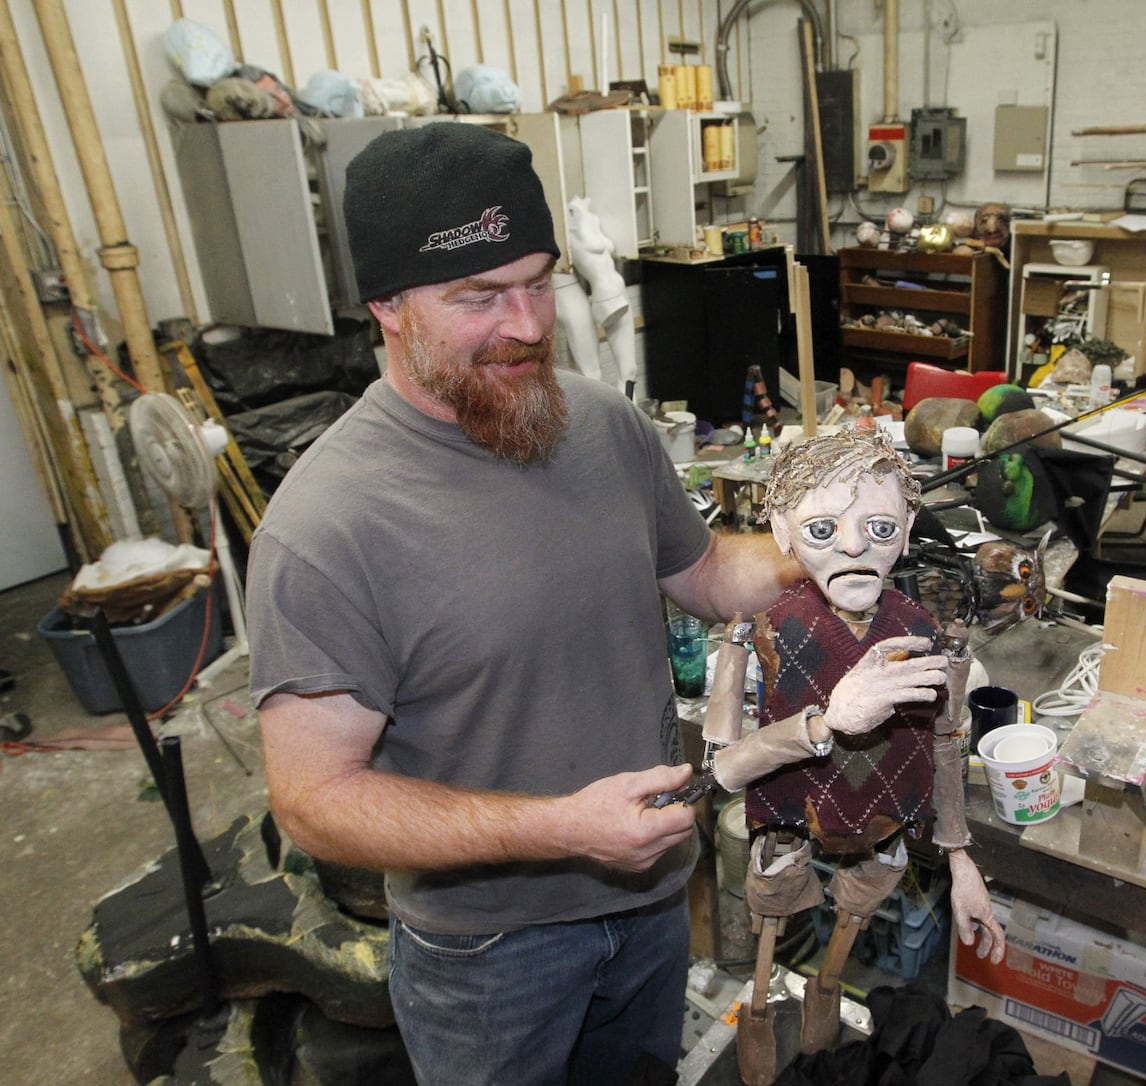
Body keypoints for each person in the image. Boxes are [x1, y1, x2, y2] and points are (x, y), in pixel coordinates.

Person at [245, 122, 796, 1086]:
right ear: (386, 306)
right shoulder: (326, 529)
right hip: (490, 958)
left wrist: (829, 545)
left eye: (541, 281)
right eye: (479, 297)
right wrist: (562, 830)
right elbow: (316, 803)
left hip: (653, 903)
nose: (531, 324)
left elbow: (705, 573)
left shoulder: (604, 427)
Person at [700, 428, 1006, 1085]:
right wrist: (825, 722)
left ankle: (825, 1014)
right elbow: (724, 769)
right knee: (771, 917)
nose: (852, 545)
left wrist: (960, 858)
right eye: (820, 528)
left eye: (877, 523)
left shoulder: (924, 633)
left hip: (881, 816)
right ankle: (759, 1006)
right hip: (788, 809)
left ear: (907, 525)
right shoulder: (762, 626)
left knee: (855, 916)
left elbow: (947, 740)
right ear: (781, 531)